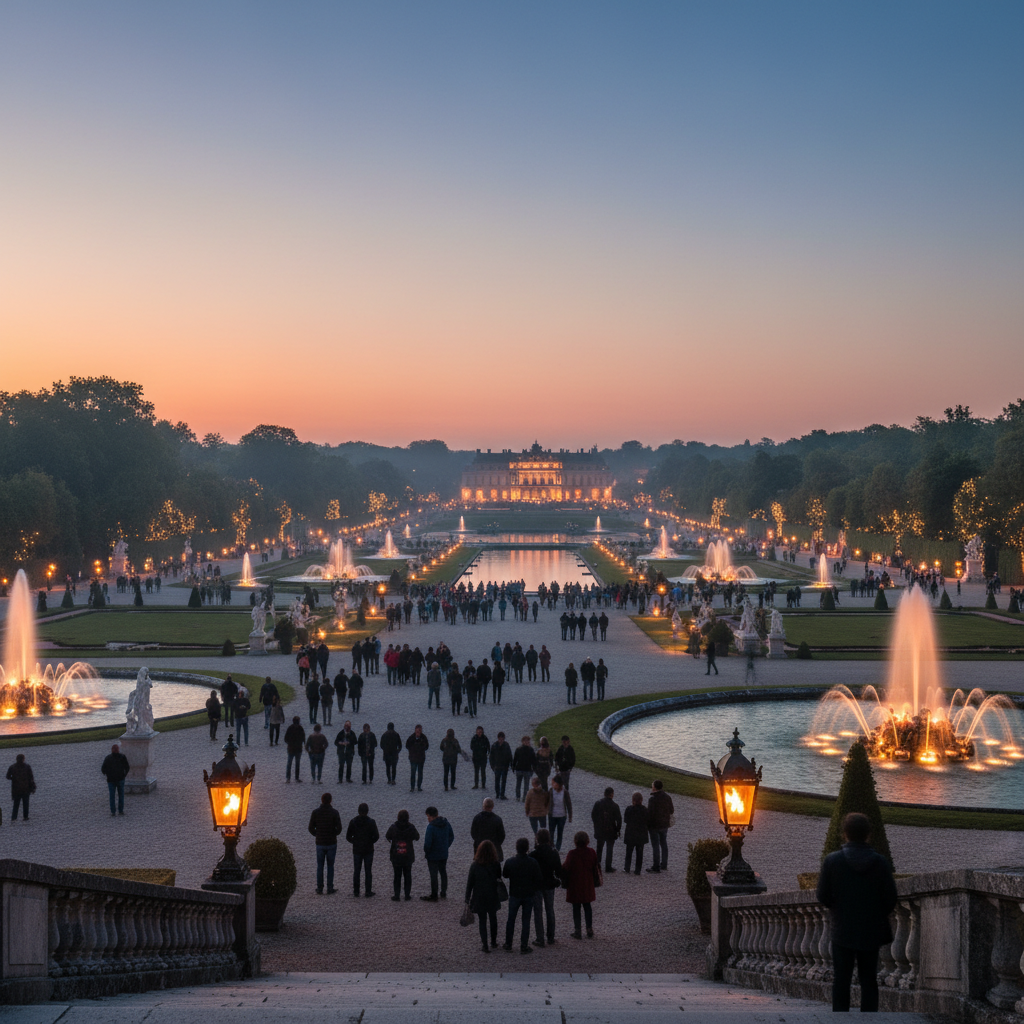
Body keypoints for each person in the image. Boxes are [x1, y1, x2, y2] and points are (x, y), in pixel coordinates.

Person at [816, 812, 898, 1013]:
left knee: (841, 979)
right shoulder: (880, 862)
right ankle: (869, 1019)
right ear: (868, 834)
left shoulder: (832, 860)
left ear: (845, 833)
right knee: (869, 979)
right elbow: (890, 898)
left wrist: (838, 908)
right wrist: (875, 913)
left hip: (842, 927)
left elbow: (822, 895)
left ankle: (840, 1018)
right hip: (870, 928)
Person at [503, 837, 543, 953]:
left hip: (515, 893)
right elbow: (538, 878)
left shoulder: (510, 861)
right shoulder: (532, 862)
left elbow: (505, 874)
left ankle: (508, 943)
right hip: (528, 894)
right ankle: (524, 945)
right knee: (526, 920)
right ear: (527, 848)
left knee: (511, 919)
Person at [465, 839, 502, 953]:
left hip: (479, 896)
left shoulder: (475, 865)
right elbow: (498, 878)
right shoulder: (496, 864)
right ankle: (493, 941)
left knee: (482, 920)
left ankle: (485, 944)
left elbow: (470, 884)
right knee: (493, 918)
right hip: (492, 894)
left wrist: (467, 898)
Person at [562, 831, 600, 939]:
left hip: (575, 884)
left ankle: (577, 930)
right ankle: (589, 929)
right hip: (587, 883)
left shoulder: (572, 854)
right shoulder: (591, 852)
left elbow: (566, 867)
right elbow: (595, 866)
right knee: (587, 906)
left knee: (576, 907)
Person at [530, 828, 561, 946]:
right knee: (550, 910)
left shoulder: (533, 854)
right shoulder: (553, 853)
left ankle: (540, 938)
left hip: (537, 885)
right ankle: (551, 937)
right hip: (549, 883)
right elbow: (558, 871)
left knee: (538, 911)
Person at [308, 791, 342, 894]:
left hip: (320, 842)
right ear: (330, 800)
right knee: (330, 866)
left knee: (320, 866)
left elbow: (310, 828)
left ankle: (319, 887)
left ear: (322, 800)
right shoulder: (334, 813)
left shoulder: (315, 812)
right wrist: (334, 834)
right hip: (331, 842)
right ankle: (330, 887)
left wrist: (317, 834)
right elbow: (339, 828)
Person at [346, 801, 380, 897]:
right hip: (368, 849)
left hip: (357, 849)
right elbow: (376, 836)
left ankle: (356, 891)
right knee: (368, 871)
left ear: (358, 811)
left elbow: (348, 836)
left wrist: (354, 841)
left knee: (357, 871)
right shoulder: (371, 822)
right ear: (367, 811)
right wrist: (370, 841)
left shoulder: (353, 822)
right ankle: (368, 891)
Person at [421, 805, 454, 901]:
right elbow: (451, 836)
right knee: (443, 872)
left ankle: (434, 894)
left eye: (428, 817)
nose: (428, 819)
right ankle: (443, 892)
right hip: (443, 853)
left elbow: (428, 843)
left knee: (433, 874)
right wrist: (446, 846)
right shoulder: (446, 823)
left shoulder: (431, 827)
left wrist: (427, 852)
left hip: (433, 855)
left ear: (431, 816)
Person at [385, 808, 419, 901]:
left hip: (396, 855)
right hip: (408, 855)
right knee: (408, 875)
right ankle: (407, 895)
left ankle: (397, 895)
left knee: (397, 876)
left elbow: (387, 836)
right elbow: (417, 837)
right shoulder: (411, 827)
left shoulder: (393, 827)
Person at [591, 787, 622, 872]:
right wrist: (617, 830)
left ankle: (597, 865)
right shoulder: (615, 806)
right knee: (609, 849)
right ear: (612, 795)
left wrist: (596, 825)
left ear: (604, 794)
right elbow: (619, 820)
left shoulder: (598, 803)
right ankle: (608, 867)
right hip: (611, 830)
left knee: (599, 848)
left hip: (600, 829)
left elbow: (593, 815)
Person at [646, 779, 674, 873]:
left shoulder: (652, 799)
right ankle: (664, 864)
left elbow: (649, 814)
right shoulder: (667, 797)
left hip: (654, 825)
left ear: (654, 787)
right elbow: (672, 810)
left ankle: (656, 866)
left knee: (656, 845)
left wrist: (647, 825)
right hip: (664, 824)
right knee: (664, 844)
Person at [622, 791, 649, 875]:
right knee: (639, 853)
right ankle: (638, 870)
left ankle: (627, 868)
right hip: (641, 834)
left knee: (629, 852)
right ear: (641, 800)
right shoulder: (645, 810)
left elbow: (625, 820)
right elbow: (647, 821)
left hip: (631, 833)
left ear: (633, 800)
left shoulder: (629, 809)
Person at [101, 743, 130, 817]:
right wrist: (124, 775)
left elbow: (103, 769)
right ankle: (120, 810)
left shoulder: (108, 758)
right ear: (118, 750)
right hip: (120, 779)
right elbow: (127, 767)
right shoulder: (122, 757)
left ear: (112, 750)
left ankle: (113, 811)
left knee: (112, 796)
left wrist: (107, 774)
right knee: (121, 796)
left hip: (111, 780)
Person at [547, 774, 573, 851]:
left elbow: (569, 804)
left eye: (555, 783)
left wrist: (570, 816)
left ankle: (557, 848)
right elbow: (546, 801)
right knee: (551, 832)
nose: (553, 785)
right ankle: (551, 847)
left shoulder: (565, 792)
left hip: (562, 816)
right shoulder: (551, 791)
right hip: (552, 815)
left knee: (560, 832)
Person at [7, 753, 35, 822]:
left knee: (16, 805)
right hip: (26, 789)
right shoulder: (27, 767)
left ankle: (14, 818)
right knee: (26, 805)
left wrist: (13, 778)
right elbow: (31, 778)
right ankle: (25, 818)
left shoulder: (12, 767)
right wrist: (33, 787)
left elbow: (7, 776)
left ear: (16, 759)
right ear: (23, 759)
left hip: (16, 789)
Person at [512, 735, 537, 801]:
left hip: (526, 769)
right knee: (520, 784)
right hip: (521, 769)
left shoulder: (524, 749)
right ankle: (519, 796)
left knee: (525, 784)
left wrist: (534, 768)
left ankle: (523, 797)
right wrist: (513, 767)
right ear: (522, 742)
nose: (526, 742)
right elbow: (515, 759)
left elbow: (534, 760)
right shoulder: (528, 750)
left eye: (527, 741)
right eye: (525, 741)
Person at [490, 731, 512, 800]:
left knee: (503, 781)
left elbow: (510, 756)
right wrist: (492, 766)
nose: (501, 740)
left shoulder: (506, 745)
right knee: (497, 781)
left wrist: (511, 764)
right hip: (497, 766)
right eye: (500, 739)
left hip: (504, 766)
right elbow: (491, 757)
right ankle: (497, 793)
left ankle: (502, 794)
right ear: (498, 738)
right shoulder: (494, 746)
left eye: (502, 739)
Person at [406, 724, 429, 792]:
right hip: (413, 758)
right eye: (417, 730)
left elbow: (427, 746)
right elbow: (407, 745)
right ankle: (412, 787)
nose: (418, 732)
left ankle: (419, 786)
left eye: (420, 730)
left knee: (420, 773)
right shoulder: (411, 738)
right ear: (415, 730)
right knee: (413, 773)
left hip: (421, 758)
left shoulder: (423, 738)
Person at [284, 716, 306, 782]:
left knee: (289, 763)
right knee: (297, 763)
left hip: (291, 748)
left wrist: (289, 743)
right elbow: (303, 738)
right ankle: (296, 777)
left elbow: (285, 739)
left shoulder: (290, 728)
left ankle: (288, 778)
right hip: (298, 748)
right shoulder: (300, 728)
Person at [470, 726, 490, 790]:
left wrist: (485, 751)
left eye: (480, 732)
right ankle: (476, 784)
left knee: (483, 772)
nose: (479, 733)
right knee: (476, 772)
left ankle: (483, 785)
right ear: (476, 732)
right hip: (476, 758)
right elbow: (471, 747)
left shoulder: (485, 738)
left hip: (483, 758)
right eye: (478, 732)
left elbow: (488, 747)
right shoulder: (474, 738)